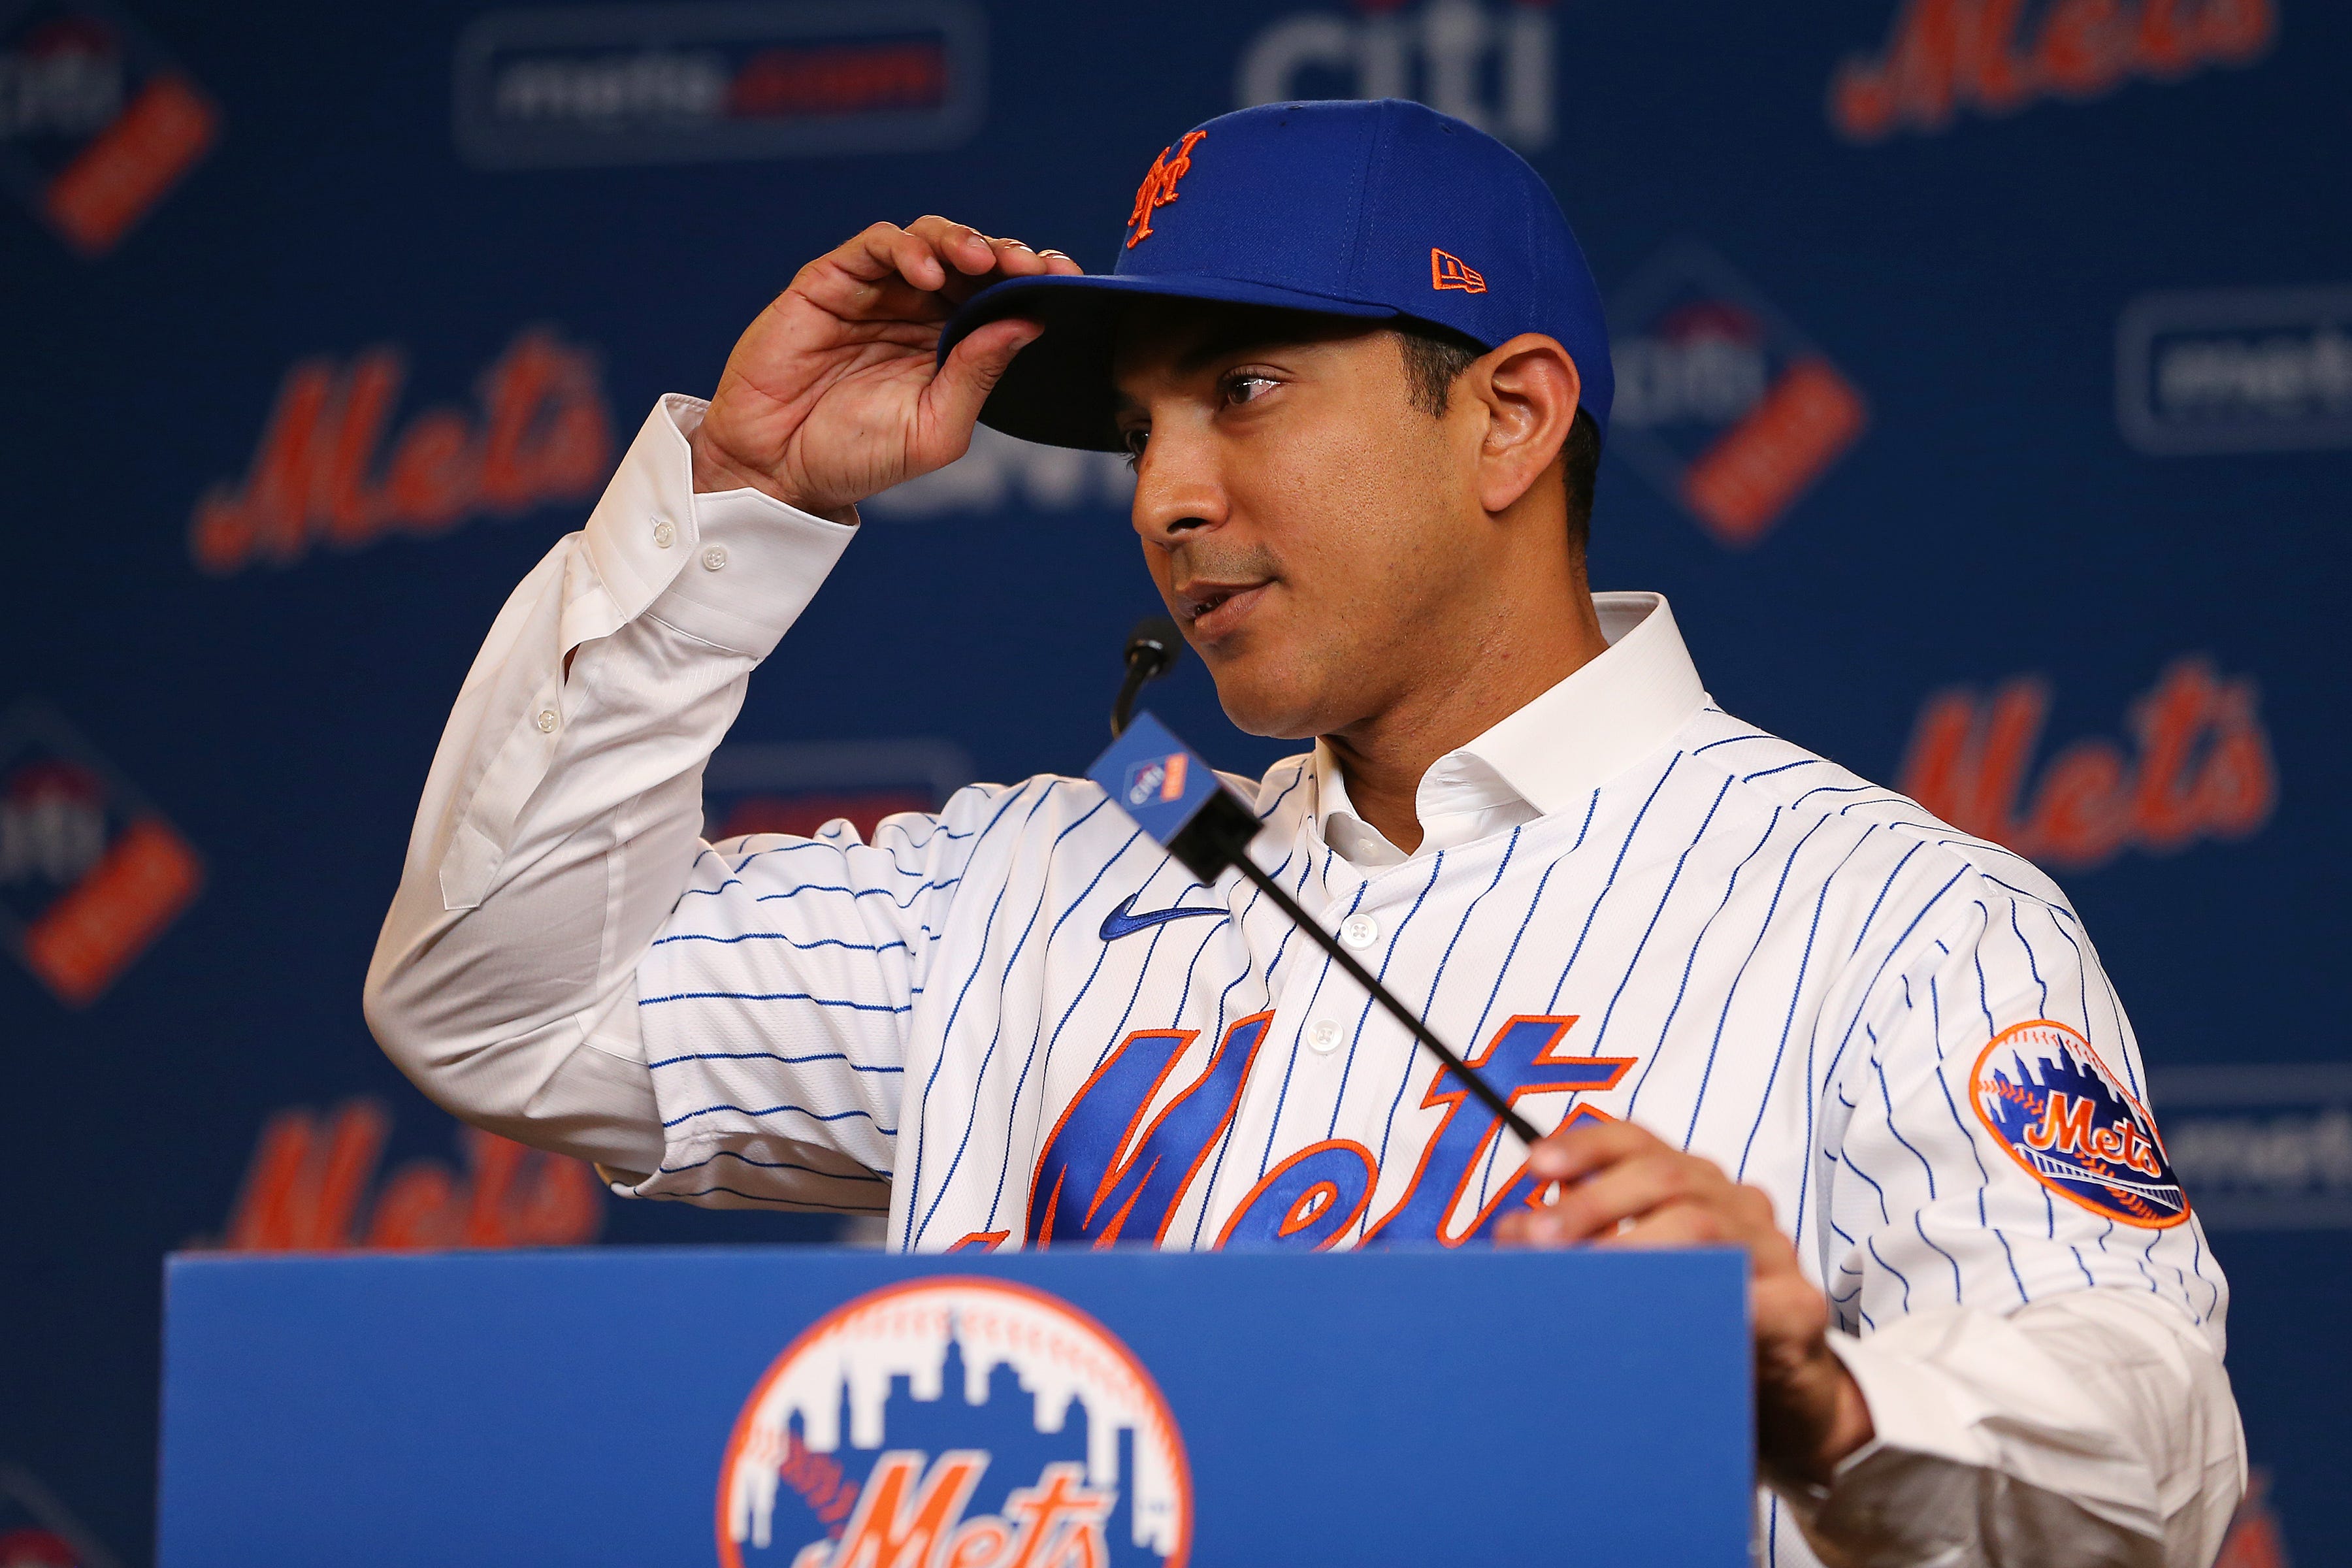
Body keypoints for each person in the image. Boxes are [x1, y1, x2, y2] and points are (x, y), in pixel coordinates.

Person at [367, 99, 2242, 1565]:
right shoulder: (1028, 887)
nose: (1168, 494)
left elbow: (2150, 1449)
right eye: (1142, 424)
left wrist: (1836, 1404)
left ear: (1508, 420)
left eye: (1245, 390)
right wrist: (744, 496)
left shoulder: (1897, 919)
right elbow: (509, 1003)